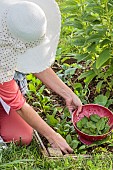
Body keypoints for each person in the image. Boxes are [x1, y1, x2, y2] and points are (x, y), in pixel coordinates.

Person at [0, 0, 82, 154]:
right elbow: (17, 103)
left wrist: (68, 94)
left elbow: (33, 63)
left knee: (21, 135)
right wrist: (53, 136)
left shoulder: (14, 18)